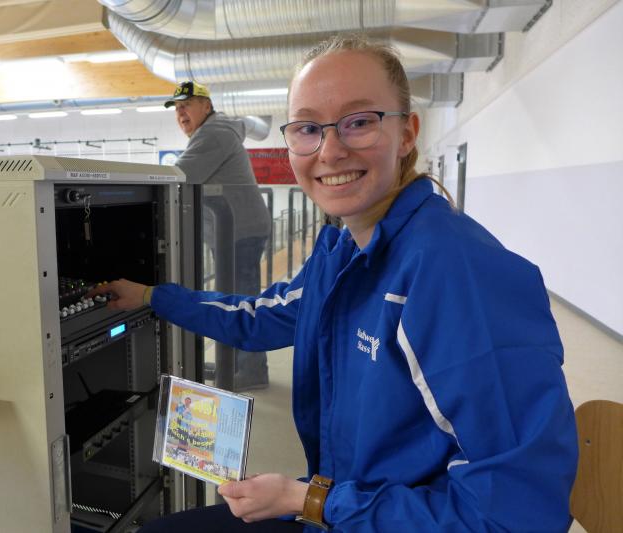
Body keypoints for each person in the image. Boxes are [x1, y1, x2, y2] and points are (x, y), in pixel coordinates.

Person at [91, 34, 578, 532]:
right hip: (345, 505)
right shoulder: (343, 252)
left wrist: (312, 501)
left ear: (407, 134)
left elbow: (515, 517)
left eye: (359, 121)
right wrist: (151, 296)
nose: (331, 150)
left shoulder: (460, 275)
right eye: (308, 128)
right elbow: (259, 318)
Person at [165, 81, 273, 392]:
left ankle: (251, 369)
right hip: (235, 230)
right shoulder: (216, 130)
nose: (181, 113)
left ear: (207, 106)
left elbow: (181, 175)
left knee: (241, 302)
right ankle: (239, 365)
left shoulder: (213, 133)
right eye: (177, 108)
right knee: (235, 298)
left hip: (239, 231)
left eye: (187, 105)